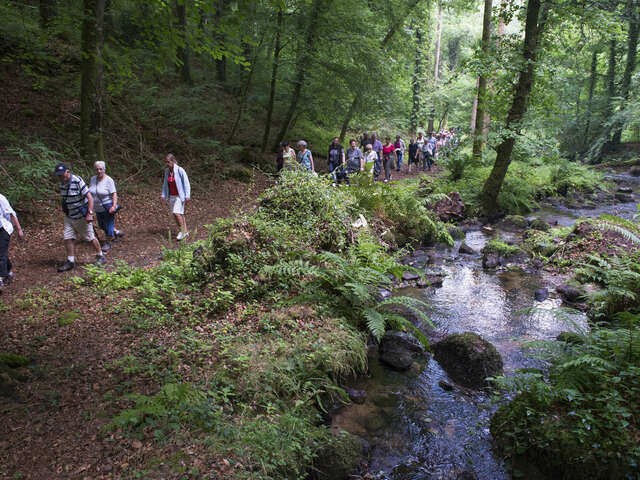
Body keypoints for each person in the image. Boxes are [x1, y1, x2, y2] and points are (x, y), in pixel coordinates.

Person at [54, 163, 105, 272]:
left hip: (81, 215)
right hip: (69, 216)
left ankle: (100, 255)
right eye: (59, 175)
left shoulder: (77, 181)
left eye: (62, 174)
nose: (60, 177)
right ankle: (70, 261)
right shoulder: (61, 183)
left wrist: (90, 213)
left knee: (90, 237)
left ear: (68, 172)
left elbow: (90, 198)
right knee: (68, 238)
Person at [89, 161, 123, 253]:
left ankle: (108, 243)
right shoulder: (92, 179)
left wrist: (114, 206)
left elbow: (114, 194)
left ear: (104, 169)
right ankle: (117, 232)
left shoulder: (109, 180)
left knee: (108, 225)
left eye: (101, 169)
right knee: (101, 225)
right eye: (97, 169)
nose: (99, 171)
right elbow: (89, 193)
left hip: (108, 207)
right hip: (97, 208)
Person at [161, 153, 191, 241]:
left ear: (173, 161)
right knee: (179, 214)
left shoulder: (180, 170)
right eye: (166, 162)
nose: (167, 164)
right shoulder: (167, 171)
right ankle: (185, 231)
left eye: (168, 162)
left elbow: (186, 183)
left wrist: (187, 195)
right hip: (172, 196)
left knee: (176, 213)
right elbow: (165, 184)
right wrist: (163, 195)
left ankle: (182, 232)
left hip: (179, 196)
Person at [0, 193, 24, 289]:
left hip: (3, 229)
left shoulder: (1, 198)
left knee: (1, 254)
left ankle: (1, 279)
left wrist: (19, 229)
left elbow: (11, 213)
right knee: (2, 254)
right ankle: (8, 269)